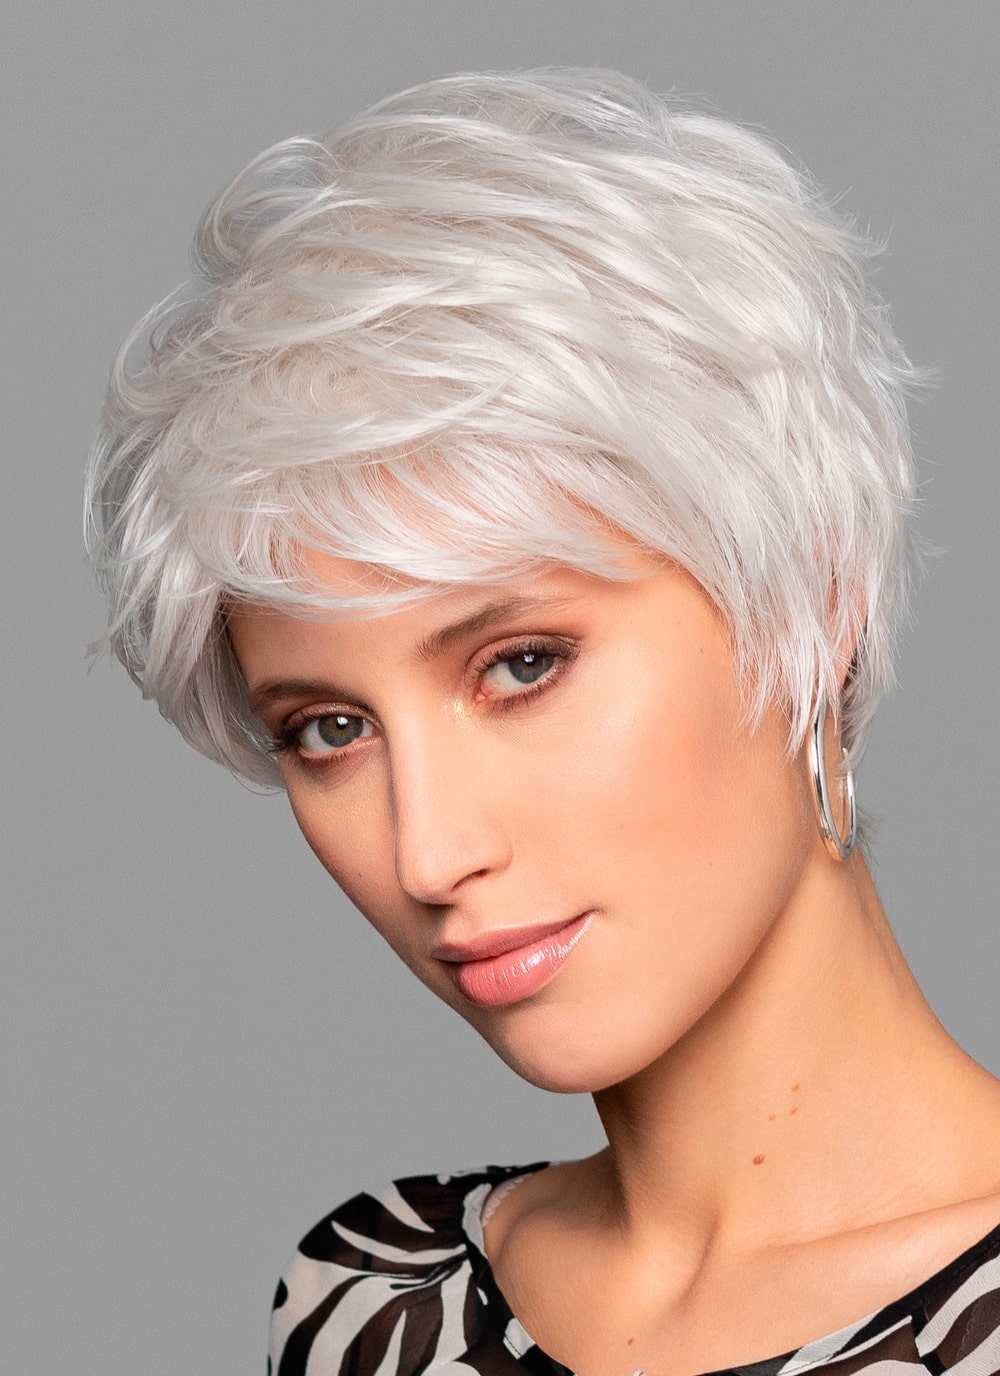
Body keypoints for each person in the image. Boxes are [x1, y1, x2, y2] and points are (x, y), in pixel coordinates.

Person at [86, 68, 1000, 1376]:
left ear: (813, 600)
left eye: (521, 665)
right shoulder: (369, 1306)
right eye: (330, 730)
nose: (428, 853)